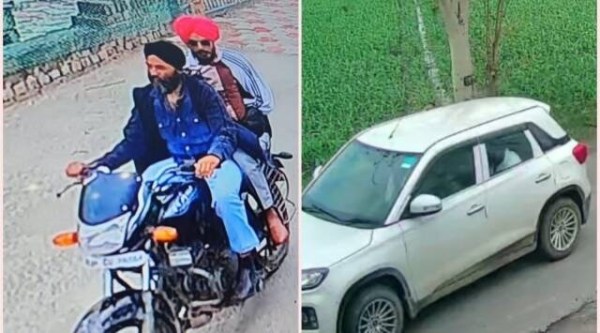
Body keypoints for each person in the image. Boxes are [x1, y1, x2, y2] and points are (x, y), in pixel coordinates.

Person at [65, 40, 261, 300]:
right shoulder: (148, 99)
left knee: (225, 200)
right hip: (176, 164)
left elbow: (225, 130)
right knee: (142, 193)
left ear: (177, 68)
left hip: (215, 162)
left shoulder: (201, 92)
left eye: (161, 67)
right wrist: (96, 167)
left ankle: (248, 262)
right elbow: (133, 141)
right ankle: (160, 256)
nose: (154, 72)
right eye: (150, 66)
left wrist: (213, 156)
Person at [171, 14, 288, 245]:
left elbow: (264, 99)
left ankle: (270, 213)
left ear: (214, 41)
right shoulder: (183, 70)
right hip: (207, 134)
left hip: (245, 129)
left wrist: (240, 112)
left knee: (243, 161)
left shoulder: (234, 62)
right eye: (193, 44)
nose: (200, 48)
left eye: (205, 42)